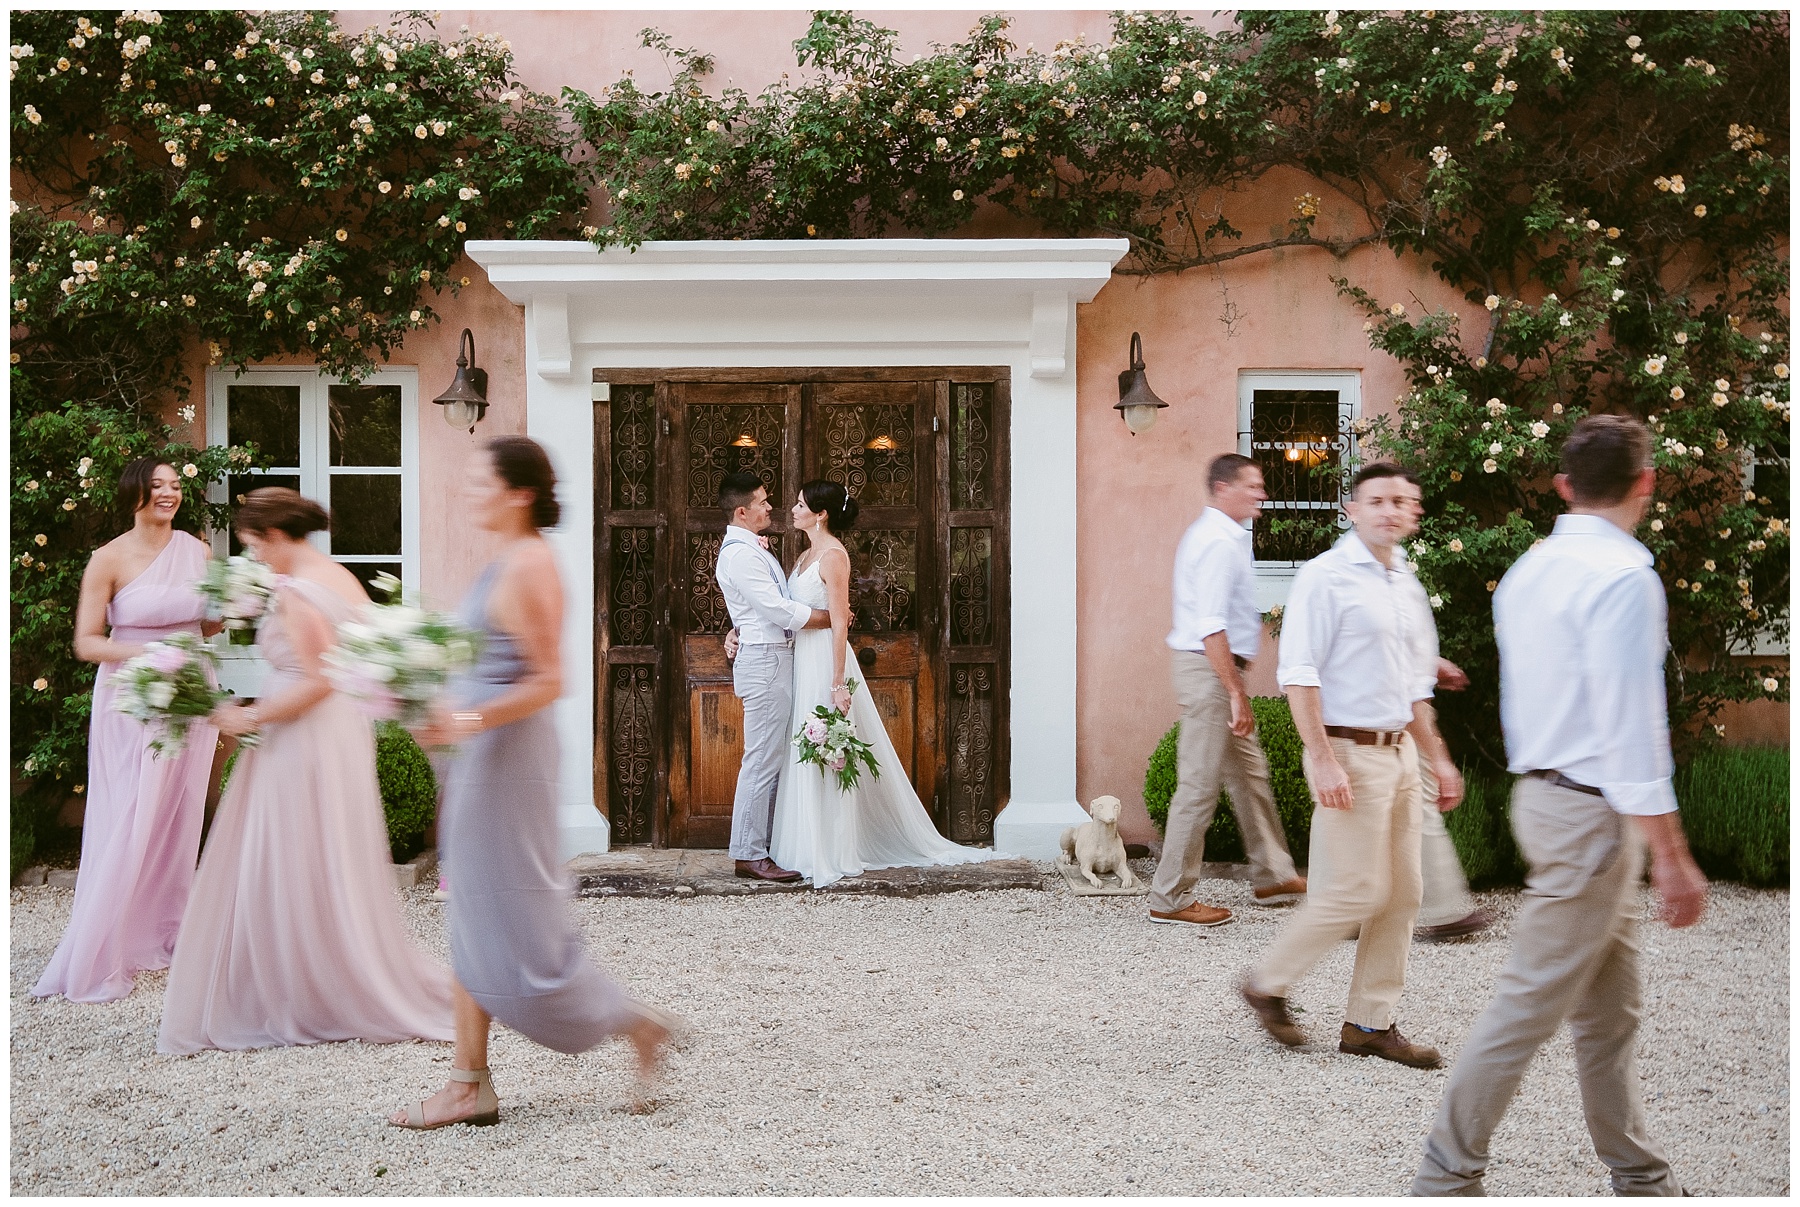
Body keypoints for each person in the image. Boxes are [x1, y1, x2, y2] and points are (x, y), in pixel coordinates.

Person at [1412, 415, 1708, 1196]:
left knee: (1610, 1013)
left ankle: (1640, 1173)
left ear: (1564, 485)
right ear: (1647, 481)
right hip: (1591, 817)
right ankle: (1445, 1171)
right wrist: (1674, 858)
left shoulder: (1528, 572)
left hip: (1544, 799)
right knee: (1528, 1003)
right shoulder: (1623, 579)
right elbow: (1632, 731)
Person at [392, 437, 673, 1130]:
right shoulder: (504, 559)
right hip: (481, 754)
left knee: (509, 916)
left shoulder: (531, 564)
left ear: (519, 492)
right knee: (474, 909)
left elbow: (552, 678)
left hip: (506, 759)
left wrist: (469, 714)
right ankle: (470, 1081)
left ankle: (625, 1020)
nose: (467, 490)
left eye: (480, 480)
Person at [158, 488, 455, 1053]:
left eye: (251, 544)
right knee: (320, 849)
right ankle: (318, 970)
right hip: (336, 734)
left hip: (303, 734)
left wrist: (244, 715)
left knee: (291, 850)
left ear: (272, 536)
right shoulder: (337, 574)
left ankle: (301, 989)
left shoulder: (297, 593)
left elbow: (319, 680)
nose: (252, 556)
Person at [1239, 461, 1464, 1069]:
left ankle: (1370, 1022)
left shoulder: (1406, 584)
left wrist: (1439, 762)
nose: (1392, 510)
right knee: (1355, 891)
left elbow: (1416, 686)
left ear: (1414, 512)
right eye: (1379, 500)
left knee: (1404, 893)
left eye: (1403, 501)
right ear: (1352, 509)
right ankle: (1266, 982)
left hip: (1400, 754)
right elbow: (1299, 673)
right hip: (1347, 753)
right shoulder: (1326, 577)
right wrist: (1322, 758)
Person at [33, 459, 222, 1004]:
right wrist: (151, 653)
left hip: (189, 689)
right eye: (157, 486)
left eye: (174, 486)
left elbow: (205, 622)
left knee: (177, 810)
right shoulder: (107, 559)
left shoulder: (198, 550)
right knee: (129, 809)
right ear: (134, 494)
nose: (169, 494)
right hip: (131, 695)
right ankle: (102, 942)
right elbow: (88, 643)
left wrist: (231, 610)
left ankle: (161, 929)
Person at [767, 480, 998, 887]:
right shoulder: (805, 554)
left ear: (821, 514)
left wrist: (837, 682)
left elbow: (840, 621)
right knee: (804, 747)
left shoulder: (834, 556)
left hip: (824, 659)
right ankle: (803, 846)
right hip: (802, 658)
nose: (793, 508)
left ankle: (833, 849)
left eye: (801, 504)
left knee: (827, 748)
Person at [1150, 453, 1307, 928]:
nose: (1262, 493)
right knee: (1198, 787)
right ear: (1223, 489)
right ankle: (1170, 897)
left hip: (1215, 671)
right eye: (1253, 486)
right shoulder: (1218, 543)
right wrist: (1235, 692)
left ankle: (1274, 873)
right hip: (1209, 672)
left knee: (1250, 775)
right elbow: (1211, 627)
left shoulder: (1227, 538)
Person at [712, 470, 832, 883]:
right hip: (764, 663)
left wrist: (736, 629)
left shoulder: (750, 550)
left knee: (771, 758)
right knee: (761, 759)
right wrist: (829, 618)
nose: (770, 507)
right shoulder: (741, 555)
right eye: (763, 502)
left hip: (771, 656)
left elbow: (760, 608)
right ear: (742, 512)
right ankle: (748, 853)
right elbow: (777, 611)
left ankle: (767, 844)